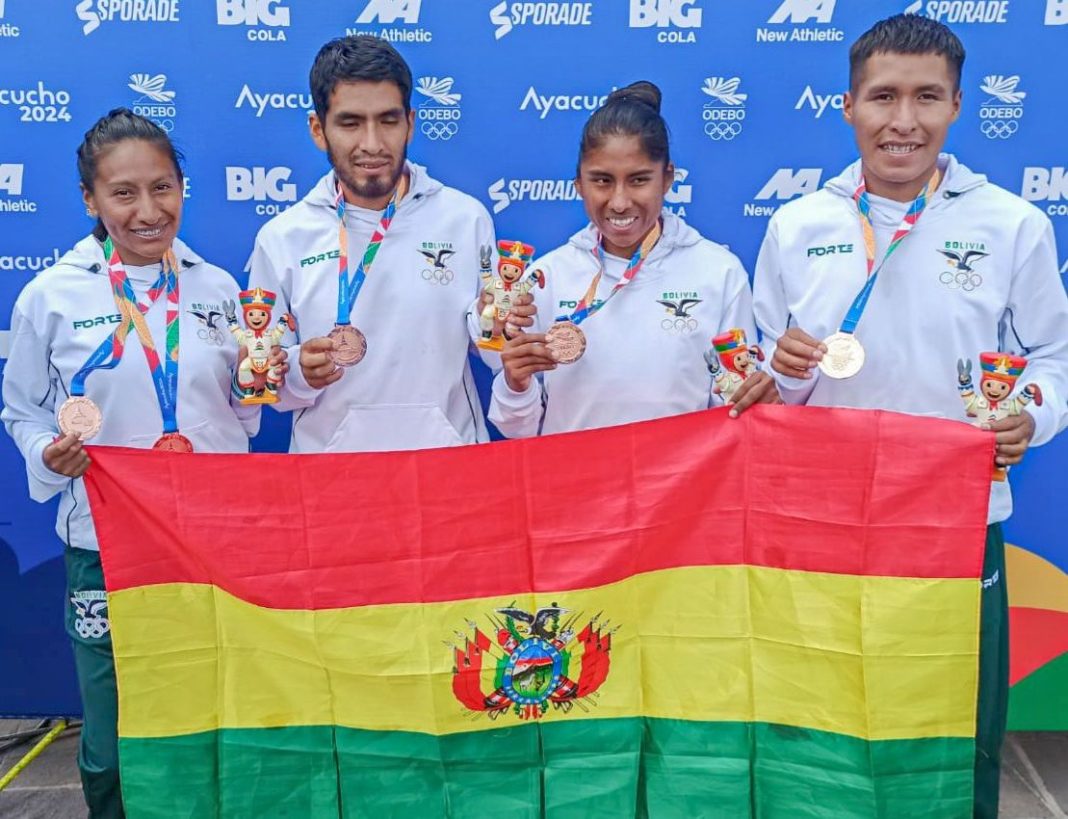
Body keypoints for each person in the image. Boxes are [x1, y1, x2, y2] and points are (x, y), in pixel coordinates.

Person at [751, 15, 1068, 818]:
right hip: (823, 518)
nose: (904, 120)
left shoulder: (1011, 224)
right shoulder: (798, 225)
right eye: (883, 96)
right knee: (823, 720)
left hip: (954, 518)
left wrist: (1028, 414)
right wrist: (781, 370)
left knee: (954, 727)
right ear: (848, 105)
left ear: (957, 105)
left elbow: (1054, 356)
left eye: (927, 97)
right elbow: (762, 387)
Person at [1, 109, 271, 818]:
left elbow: (238, 415)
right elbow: (22, 409)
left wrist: (254, 386)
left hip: (210, 542)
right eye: (123, 193)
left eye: (163, 188)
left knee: (217, 709)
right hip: (105, 546)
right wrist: (49, 454)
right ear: (90, 199)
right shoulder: (51, 296)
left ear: (182, 187)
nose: (148, 211)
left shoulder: (217, 288)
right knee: (114, 734)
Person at [248, 35, 498, 453]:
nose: (372, 144)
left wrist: (503, 328)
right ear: (318, 130)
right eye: (350, 123)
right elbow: (264, 384)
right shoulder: (282, 238)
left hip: (446, 467)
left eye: (388, 120)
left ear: (410, 123)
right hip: (334, 475)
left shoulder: (465, 219)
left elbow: (494, 351)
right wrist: (298, 372)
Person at [489, 81, 778, 438]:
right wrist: (516, 384)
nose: (620, 202)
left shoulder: (719, 273)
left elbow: (732, 410)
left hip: (683, 475)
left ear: (667, 178)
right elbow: (517, 430)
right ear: (578, 184)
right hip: (574, 474)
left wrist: (752, 396)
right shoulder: (547, 276)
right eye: (602, 181)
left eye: (639, 180)